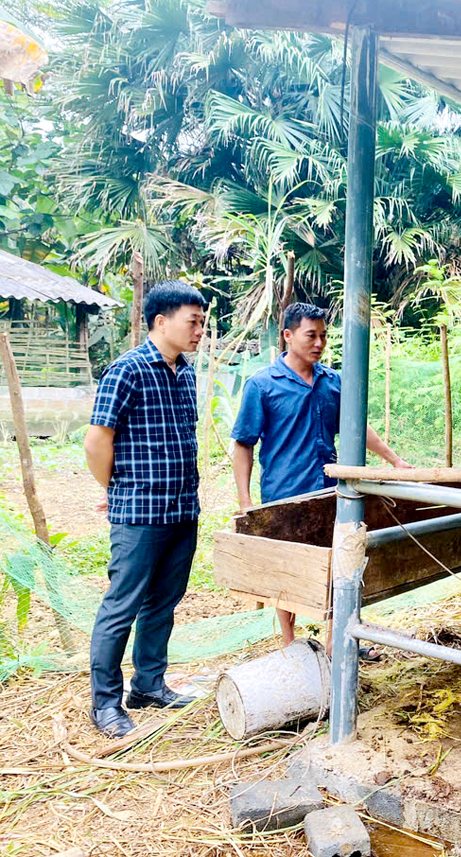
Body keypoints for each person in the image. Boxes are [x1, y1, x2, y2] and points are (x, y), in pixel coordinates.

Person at [232, 302, 412, 654]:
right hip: (284, 493)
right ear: (287, 336)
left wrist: (394, 460)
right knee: (288, 570)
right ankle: (291, 646)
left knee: (338, 562)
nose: (319, 343)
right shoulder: (262, 385)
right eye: (311, 335)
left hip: (332, 491)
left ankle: (335, 642)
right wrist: (245, 500)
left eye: (324, 336)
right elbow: (243, 444)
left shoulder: (333, 382)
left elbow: (357, 427)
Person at [83, 281, 208, 738]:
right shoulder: (127, 370)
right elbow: (98, 442)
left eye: (201, 322)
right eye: (192, 321)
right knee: (122, 606)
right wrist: (116, 488)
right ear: (161, 321)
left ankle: (149, 685)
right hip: (139, 512)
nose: (199, 330)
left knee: (163, 603)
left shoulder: (185, 372)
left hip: (181, 509)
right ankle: (105, 705)